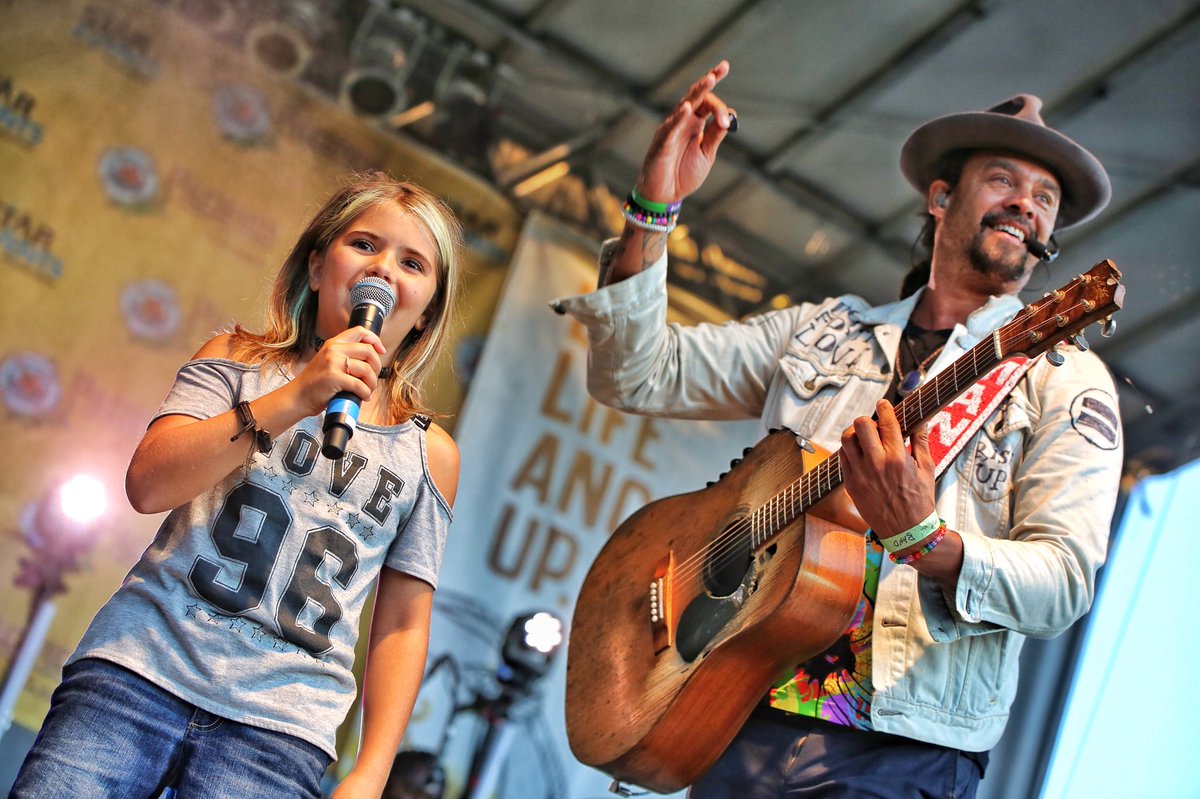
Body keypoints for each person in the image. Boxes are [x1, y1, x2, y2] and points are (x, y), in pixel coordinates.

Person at [552, 61, 1122, 797]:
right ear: (941, 197)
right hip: (736, 700)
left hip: (899, 746)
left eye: (1046, 198)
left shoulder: (1060, 377)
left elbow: (1065, 583)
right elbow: (638, 372)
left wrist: (930, 540)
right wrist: (653, 208)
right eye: (1005, 180)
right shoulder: (824, 330)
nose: (1027, 205)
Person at [10, 172, 463, 799]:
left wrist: (371, 771)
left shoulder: (428, 454)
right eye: (364, 245)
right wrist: (296, 397)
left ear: (425, 313)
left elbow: (404, 622)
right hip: (139, 670)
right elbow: (147, 484)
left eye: (412, 262)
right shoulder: (237, 360)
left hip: (281, 732)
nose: (384, 270)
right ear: (315, 266)